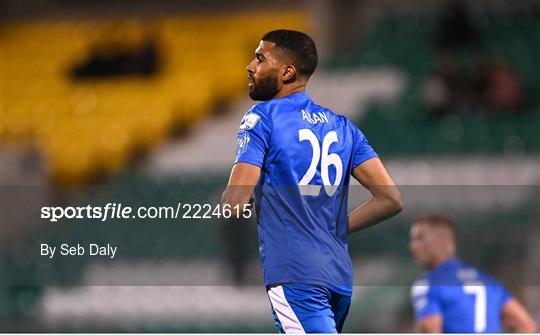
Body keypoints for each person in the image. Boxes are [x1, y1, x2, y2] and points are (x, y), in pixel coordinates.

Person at [221, 30, 403, 333]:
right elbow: (391, 199)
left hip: (295, 274)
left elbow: (234, 203)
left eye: (260, 58)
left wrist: (236, 201)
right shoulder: (343, 127)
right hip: (338, 277)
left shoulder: (262, 118)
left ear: (287, 72)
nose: (251, 66)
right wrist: (336, 228)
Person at [409, 214, 537, 333]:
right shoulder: (489, 282)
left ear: (443, 241)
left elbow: (429, 329)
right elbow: (527, 325)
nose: (413, 246)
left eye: (420, 238)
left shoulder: (428, 284)